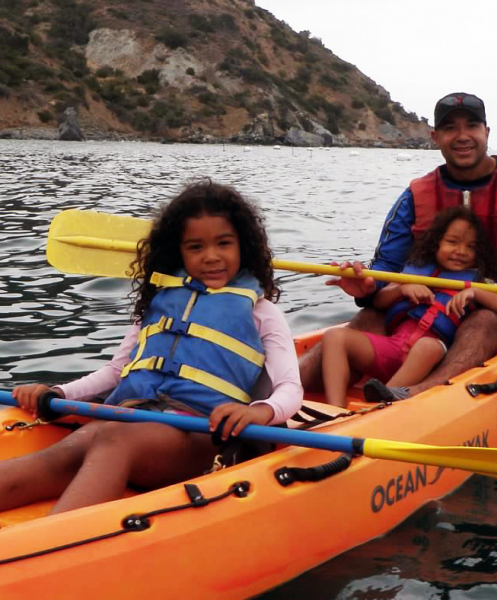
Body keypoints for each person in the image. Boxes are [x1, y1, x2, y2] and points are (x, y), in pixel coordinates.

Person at [4, 180, 303, 515]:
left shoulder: (261, 312)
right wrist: (58, 392)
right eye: (195, 247)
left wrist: (258, 411)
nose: (211, 257)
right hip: (136, 420)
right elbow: (117, 372)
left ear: (242, 246)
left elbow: (290, 389)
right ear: (178, 252)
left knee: (113, 439)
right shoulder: (159, 303)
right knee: (65, 451)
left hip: (200, 435)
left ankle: (48, 545)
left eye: (224, 243)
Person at [300, 91, 497, 401]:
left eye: (471, 126)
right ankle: (284, 388)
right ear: (435, 137)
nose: (462, 136)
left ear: (486, 132)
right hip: (426, 302)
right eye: (450, 128)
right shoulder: (414, 195)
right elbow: (387, 265)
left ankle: (412, 395)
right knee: (368, 318)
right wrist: (368, 284)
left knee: (483, 321)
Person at [322, 206, 497, 406]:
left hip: (432, 354)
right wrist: (402, 289)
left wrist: (475, 292)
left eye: (471, 247)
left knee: (427, 346)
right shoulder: (414, 272)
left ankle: (383, 400)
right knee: (334, 337)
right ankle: (334, 409)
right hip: (393, 347)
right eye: (452, 242)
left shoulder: (480, 281)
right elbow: (379, 301)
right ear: (437, 243)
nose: (461, 251)